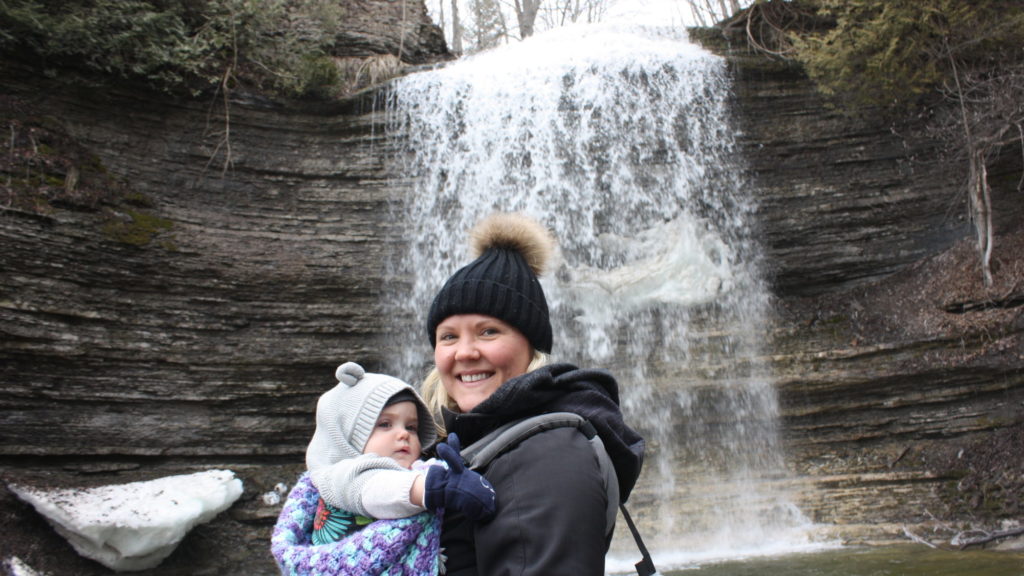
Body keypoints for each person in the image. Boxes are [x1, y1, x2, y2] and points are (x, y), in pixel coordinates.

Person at [420, 212, 646, 576]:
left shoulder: (550, 451)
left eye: (488, 331)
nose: (464, 352)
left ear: (532, 348)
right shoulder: (474, 442)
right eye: (448, 336)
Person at [271, 361, 496, 576]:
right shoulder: (340, 477)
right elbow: (375, 490)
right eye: (385, 425)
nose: (403, 434)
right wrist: (433, 487)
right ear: (346, 438)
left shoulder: (416, 471)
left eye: (411, 427)